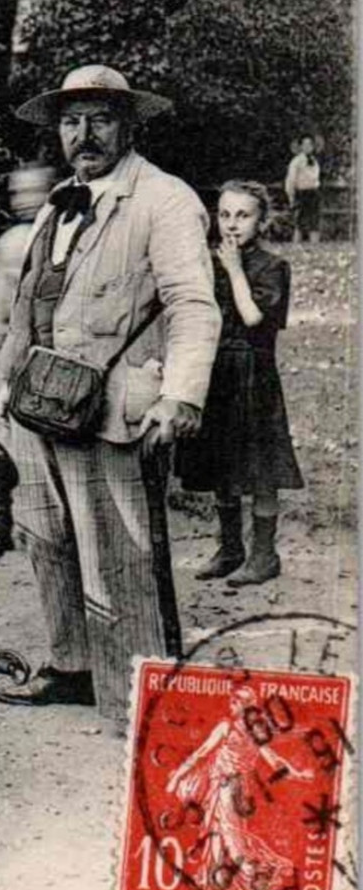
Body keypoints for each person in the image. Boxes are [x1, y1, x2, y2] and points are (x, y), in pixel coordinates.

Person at [0, 65, 220, 720]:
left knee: (122, 553)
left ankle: (138, 697)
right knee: (45, 537)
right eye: (69, 121)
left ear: (127, 125)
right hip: (36, 405)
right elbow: (24, 305)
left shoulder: (163, 199)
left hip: (115, 410)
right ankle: (71, 666)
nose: (82, 134)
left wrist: (178, 396)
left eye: (98, 119)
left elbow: (192, 304)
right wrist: (4, 401)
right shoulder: (57, 202)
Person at [176, 180, 303, 586]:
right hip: (217, 372)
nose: (232, 225)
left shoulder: (272, 266)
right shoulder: (208, 263)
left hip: (254, 375)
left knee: (261, 470)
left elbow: (253, 318)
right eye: (225, 214)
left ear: (262, 221)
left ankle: (264, 555)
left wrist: (233, 270)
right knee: (221, 464)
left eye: (243, 215)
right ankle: (230, 548)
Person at [166, 686, 313, 890]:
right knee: (216, 839)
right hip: (226, 789)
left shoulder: (228, 727)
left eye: (234, 702)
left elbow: (201, 753)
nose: (231, 706)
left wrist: (177, 777)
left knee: (236, 846)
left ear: (242, 707)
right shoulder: (256, 732)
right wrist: (298, 774)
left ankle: (271, 887)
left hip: (228, 789)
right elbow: (275, 761)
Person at [0, 164, 56, 439]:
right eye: (17, 194)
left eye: (34, 192)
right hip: (14, 346)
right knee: (3, 422)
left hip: (55, 348)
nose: (24, 201)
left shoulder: (64, 235)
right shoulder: (10, 243)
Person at [284, 135, 322, 244]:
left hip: (313, 193)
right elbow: (291, 180)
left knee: (314, 220)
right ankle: (296, 245)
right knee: (299, 221)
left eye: (310, 144)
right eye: (305, 144)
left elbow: (315, 178)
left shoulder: (314, 161)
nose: (307, 147)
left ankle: (314, 245)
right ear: (300, 146)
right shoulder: (296, 161)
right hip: (301, 193)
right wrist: (291, 196)